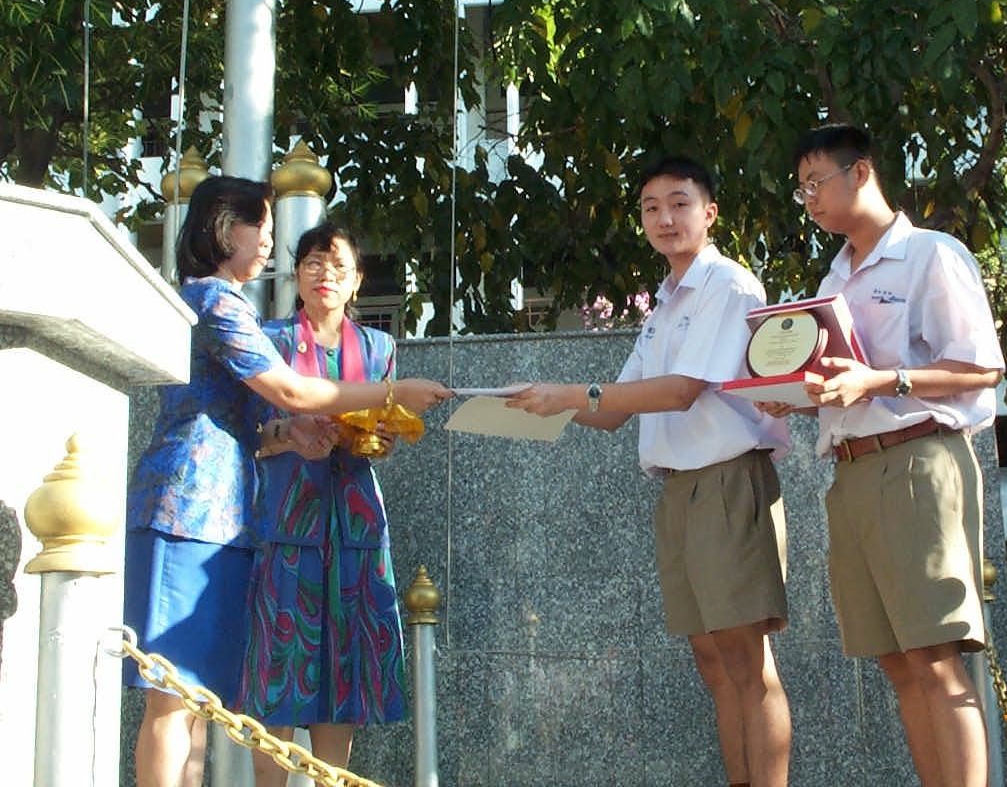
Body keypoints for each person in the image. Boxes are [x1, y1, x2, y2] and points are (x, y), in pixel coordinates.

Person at [124, 176, 452, 787]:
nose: (270, 245)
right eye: (265, 230)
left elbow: (259, 422)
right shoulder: (217, 302)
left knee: (196, 699)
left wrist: (292, 434)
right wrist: (391, 393)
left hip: (228, 516)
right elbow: (292, 392)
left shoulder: (238, 306)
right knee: (173, 696)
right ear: (227, 228)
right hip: (189, 509)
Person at [507, 156, 793, 787]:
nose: (665, 218)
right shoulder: (664, 303)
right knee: (713, 663)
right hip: (679, 489)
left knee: (747, 662)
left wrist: (571, 394)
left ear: (709, 212)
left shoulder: (727, 284)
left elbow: (683, 390)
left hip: (727, 480)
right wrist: (531, 402)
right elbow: (614, 409)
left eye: (679, 203)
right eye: (651, 208)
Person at [771, 123, 1005, 787]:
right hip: (851, 470)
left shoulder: (930, 254)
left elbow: (981, 369)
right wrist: (796, 397)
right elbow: (847, 382)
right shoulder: (834, 278)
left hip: (916, 461)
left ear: (861, 173)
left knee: (934, 657)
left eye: (816, 182)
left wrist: (881, 381)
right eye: (801, 190)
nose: (810, 200)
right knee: (897, 662)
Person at [239, 222, 409, 786]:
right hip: (288, 522)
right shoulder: (270, 340)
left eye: (339, 266)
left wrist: (379, 438)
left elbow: (384, 434)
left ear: (357, 281)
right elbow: (250, 434)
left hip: (356, 526)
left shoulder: (379, 348)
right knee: (279, 666)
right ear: (296, 274)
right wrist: (290, 434)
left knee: (345, 673)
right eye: (314, 263)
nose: (325, 276)